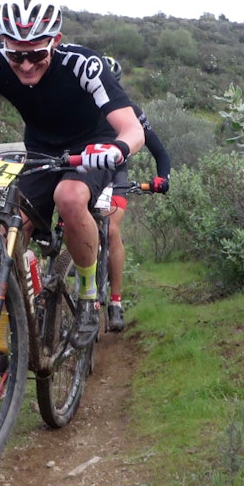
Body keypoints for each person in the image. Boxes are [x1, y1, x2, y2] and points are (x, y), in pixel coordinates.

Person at [0, 0, 145, 348]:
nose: (24, 64)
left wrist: (118, 148)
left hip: (91, 145)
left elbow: (132, 128)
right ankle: (7, 332)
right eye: (15, 54)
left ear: (57, 40)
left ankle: (87, 297)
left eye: (36, 54)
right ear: (4, 46)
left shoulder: (84, 64)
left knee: (68, 196)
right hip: (40, 147)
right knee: (8, 231)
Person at [101, 56, 171, 332]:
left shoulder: (127, 110)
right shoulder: (74, 106)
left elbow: (159, 151)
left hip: (114, 176)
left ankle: (115, 302)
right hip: (82, 173)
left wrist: (162, 178)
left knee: (110, 231)